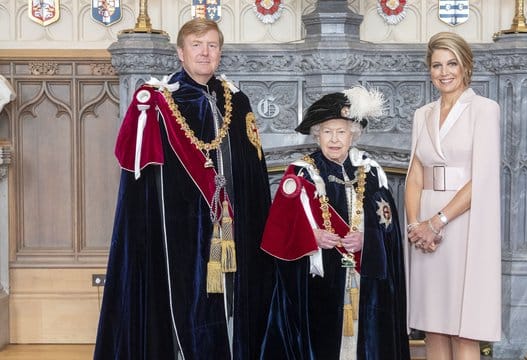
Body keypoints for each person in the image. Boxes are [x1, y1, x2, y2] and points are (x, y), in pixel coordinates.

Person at [94, 18, 274, 360]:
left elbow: (254, 172)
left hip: (232, 227)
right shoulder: (161, 102)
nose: (205, 52)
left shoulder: (238, 102)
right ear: (181, 52)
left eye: (212, 45)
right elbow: (140, 179)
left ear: (220, 53)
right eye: (196, 45)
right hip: (181, 231)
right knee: (188, 307)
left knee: (233, 304)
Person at [260, 87, 410, 360]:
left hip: (364, 280)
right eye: (327, 131)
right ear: (317, 134)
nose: (334, 139)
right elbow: (277, 232)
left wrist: (368, 239)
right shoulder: (301, 173)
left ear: (353, 134)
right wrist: (311, 236)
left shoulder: (371, 170)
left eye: (341, 131)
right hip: (316, 282)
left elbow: (389, 226)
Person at [404, 31, 501, 360]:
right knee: (433, 326)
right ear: (429, 70)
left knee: (463, 328)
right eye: (436, 65)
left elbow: (483, 178)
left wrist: (437, 221)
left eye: (451, 63)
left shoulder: (484, 110)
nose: (444, 72)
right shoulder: (423, 114)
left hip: (463, 222)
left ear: (466, 67)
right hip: (425, 226)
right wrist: (416, 225)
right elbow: (415, 174)